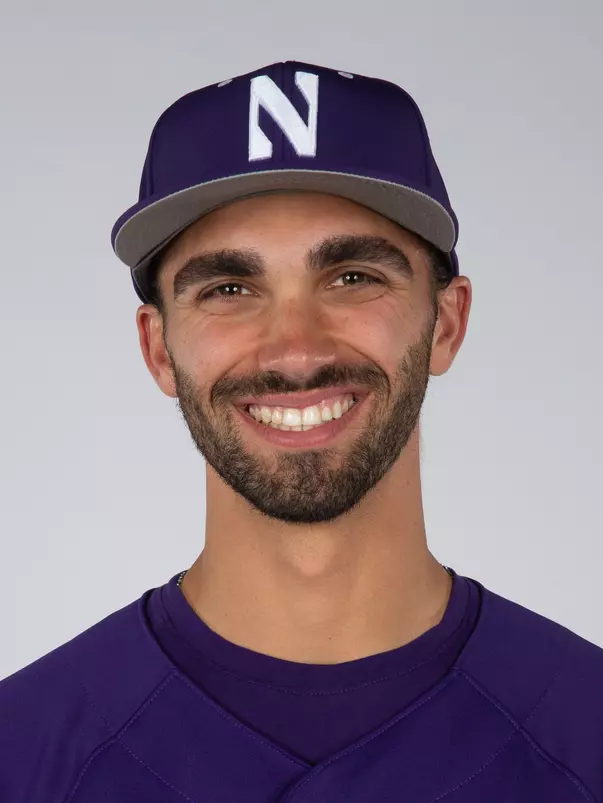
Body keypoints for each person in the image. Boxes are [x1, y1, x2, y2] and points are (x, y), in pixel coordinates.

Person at [1, 60, 601, 803]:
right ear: (157, 349)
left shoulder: (587, 734)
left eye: (352, 278)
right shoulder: (22, 755)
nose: (295, 350)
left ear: (446, 323)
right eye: (229, 288)